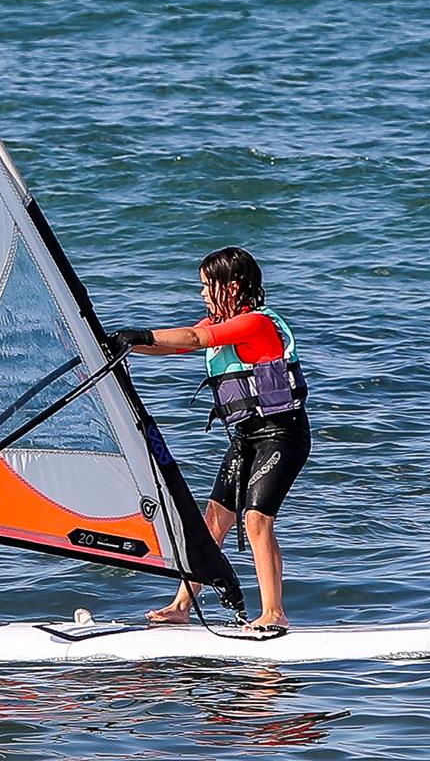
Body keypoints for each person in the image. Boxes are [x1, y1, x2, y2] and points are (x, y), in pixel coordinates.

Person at [112, 247, 310, 632]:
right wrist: (121, 344)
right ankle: (181, 605)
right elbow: (178, 344)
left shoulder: (256, 324)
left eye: (207, 286)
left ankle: (274, 612)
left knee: (256, 520)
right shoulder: (219, 324)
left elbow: (194, 336)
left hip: (283, 435)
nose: (202, 293)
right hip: (246, 437)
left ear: (232, 287)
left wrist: (141, 332)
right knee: (213, 523)